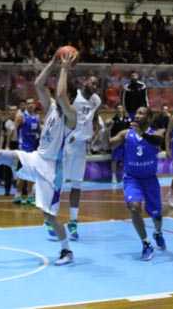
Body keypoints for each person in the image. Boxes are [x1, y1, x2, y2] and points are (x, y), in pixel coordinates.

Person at [0, 53, 78, 265]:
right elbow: (39, 84)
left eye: (62, 93)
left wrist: (64, 68)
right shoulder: (53, 107)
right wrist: (52, 62)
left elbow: (61, 95)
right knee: (1, 155)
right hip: (37, 158)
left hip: (52, 170)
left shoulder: (71, 115)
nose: (57, 94)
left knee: (50, 216)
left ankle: (67, 251)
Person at [104, 106, 166, 261]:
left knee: (156, 215)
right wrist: (106, 130)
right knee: (134, 206)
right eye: (136, 112)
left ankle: (158, 233)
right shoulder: (126, 134)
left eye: (141, 113)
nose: (137, 115)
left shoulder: (156, 133)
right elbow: (107, 145)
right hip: (132, 179)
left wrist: (142, 134)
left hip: (150, 179)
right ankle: (146, 243)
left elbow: (159, 141)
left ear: (149, 118)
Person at [58, 75, 101, 240]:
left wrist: (97, 132)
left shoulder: (96, 100)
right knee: (60, 183)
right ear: (84, 83)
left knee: (77, 184)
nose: (94, 84)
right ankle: (50, 216)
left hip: (82, 145)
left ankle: (73, 221)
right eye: (92, 81)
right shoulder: (74, 95)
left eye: (96, 83)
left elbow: (95, 117)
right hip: (68, 142)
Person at [11, 98, 40, 204]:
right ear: (26, 106)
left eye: (32, 103)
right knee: (23, 171)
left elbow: (39, 132)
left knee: (31, 172)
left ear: (35, 105)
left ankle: (30, 195)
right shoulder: (22, 117)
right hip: (23, 148)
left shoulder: (37, 118)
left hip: (33, 149)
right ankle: (18, 194)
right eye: (28, 104)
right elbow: (13, 129)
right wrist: (7, 145)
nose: (30, 105)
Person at [107, 104, 131, 183]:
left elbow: (130, 131)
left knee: (125, 159)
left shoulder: (128, 120)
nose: (120, 110)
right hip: (116, 143)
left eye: (121, 109)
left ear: (123, 110)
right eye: (118, 109)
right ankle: (113, 176)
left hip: (126, 142)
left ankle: (124, 175)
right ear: (116, 110)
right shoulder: (113, 120)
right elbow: (110, 132)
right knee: (114, 160)